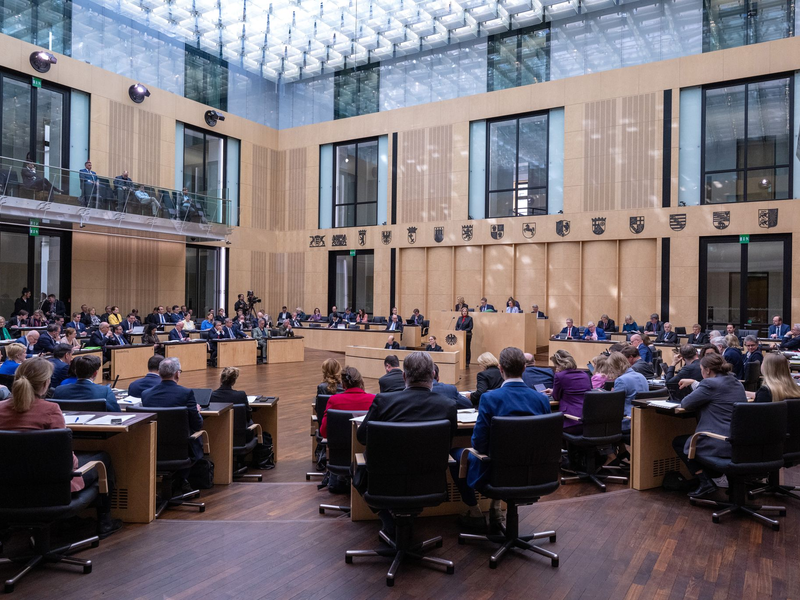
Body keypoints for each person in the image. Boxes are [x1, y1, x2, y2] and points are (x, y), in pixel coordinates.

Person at [0, 358, 121, 537]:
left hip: (6, 489)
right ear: (45, 383)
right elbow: (65, 461)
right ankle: (104, 522)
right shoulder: (51, 409)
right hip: (52, 489)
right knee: (102, 459)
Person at [356, 352, 458, 537]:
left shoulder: (383, 402)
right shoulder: (448, 406)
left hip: (384, 484)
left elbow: (362, 437)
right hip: (430, 485)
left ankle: (387, 518)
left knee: (355, 467)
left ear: (404, 376)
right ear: (434, 375)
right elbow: (447, 444)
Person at [452, 347, 551, 532]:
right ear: (524, 368)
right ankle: (496, 507)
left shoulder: (490, 399)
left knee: (454, 456)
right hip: (535, 474)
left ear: (500, 368)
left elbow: (479, 445)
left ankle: (474, 512)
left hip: (496, 474)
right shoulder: (542, 400)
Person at [672, 353, 746, 497]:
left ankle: (705, 482)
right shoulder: (736, 382)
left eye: (701, 370)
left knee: (679, 443)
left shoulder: (709, 384)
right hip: (739, 441)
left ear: (707, 370)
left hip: (719, 441)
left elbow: (686, 403)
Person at [142, 358, 203, 493]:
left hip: (151, 448)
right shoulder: (186, 393)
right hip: (180, 450)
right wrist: (197, 412)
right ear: (177, 374)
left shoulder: (145, 395)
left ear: (159, 373)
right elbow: (197, 425)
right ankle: (181, 481)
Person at [319, 367, 376, 438]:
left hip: (339, 446)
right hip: (364, 446)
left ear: (343, 385)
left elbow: (323, 431)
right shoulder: (373, 400)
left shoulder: (334, 400)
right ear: (361, 382)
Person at [53, 355, 120, 412]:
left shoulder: (59, 390)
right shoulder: (105, 391)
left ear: (75, 371)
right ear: (95, 373)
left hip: (67, 426)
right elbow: (117, 414)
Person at [547, 350, 590, 429]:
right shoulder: (585, 375)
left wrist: (554, 392)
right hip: (588, 421)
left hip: (571, 421)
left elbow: (556, 397)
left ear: (559, 365)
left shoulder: (559, 376)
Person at [608, 351, 648, 430]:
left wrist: (609, 395)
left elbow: (615, 405)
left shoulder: (621, 380)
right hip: (642, 419)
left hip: (627, 421)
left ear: (615, 366)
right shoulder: (641, 376)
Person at [211, 367, 253, 437]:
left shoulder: (212, 396)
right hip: (240, 436)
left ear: (221, 380)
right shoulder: (241, 395)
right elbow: (248, 415)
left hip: (218, 436)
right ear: (234, 382)